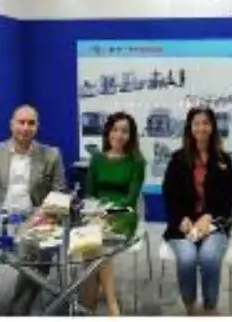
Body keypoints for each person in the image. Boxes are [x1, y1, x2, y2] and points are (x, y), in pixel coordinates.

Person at [0, 105, 65, 316]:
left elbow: (60, 193)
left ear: (37, 127)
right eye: (21, 122)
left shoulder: (51, 155)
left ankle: (19, 310)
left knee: (37, 254)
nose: (25, 128)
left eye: (31, 123)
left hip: (32, 220)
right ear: (11, 124)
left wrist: (45, 215)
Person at [162, 107, 232, 316]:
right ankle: (190, 306)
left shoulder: (224, 160)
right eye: (196, 123)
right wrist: (181, 218)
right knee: (187, 259)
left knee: (209, 258)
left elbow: (229, 198)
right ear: (190, 127)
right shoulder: (177, 159)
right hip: (182, 225)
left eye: (206, 123)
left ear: (212, 127)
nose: (201, 128)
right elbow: (169, 195)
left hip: (214, 224)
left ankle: (209, 308)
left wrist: (209, 216)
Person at [81, 113, 147, 316]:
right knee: (92, 243)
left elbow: (131, 199)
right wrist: (97, 210)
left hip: (124, 212)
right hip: (96, 211)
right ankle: (96, 301)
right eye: (115, 130)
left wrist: (108, 211)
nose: (119, 135)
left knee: (95, 241)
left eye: (124, 131)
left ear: (131, 135)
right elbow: (89, 193)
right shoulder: (97, 159)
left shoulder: (137, 162)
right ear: (108, 132)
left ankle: (100, 302)